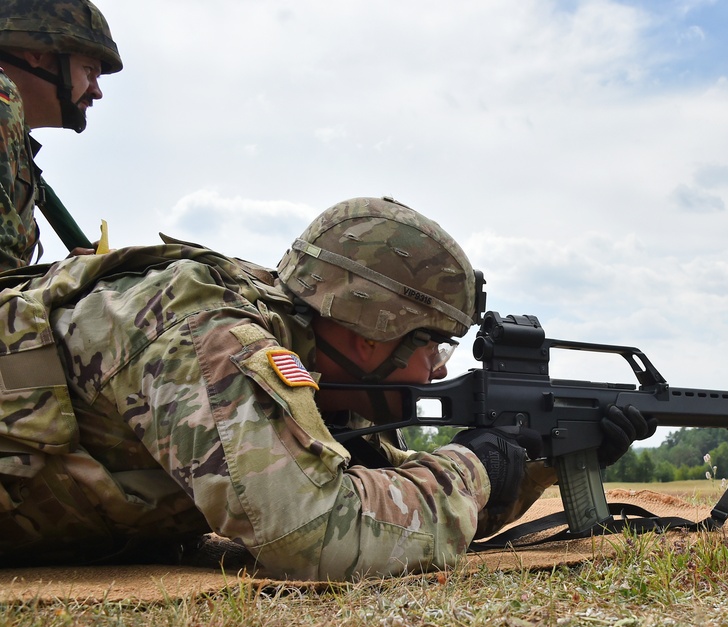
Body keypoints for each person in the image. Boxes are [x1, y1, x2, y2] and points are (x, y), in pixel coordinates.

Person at [0, 196, 655, 580]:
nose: (434, 369)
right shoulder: (207, 329)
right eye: (430, 344)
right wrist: (471, 465)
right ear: (374, 331)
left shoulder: (307, 359)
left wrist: (539, 459)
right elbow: (316, 531)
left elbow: (394, 505)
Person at [0, 0, 122, 271]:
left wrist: (63, 275)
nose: (96, 91)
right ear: (36, 53)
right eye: (88, 71)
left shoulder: (14, 129)